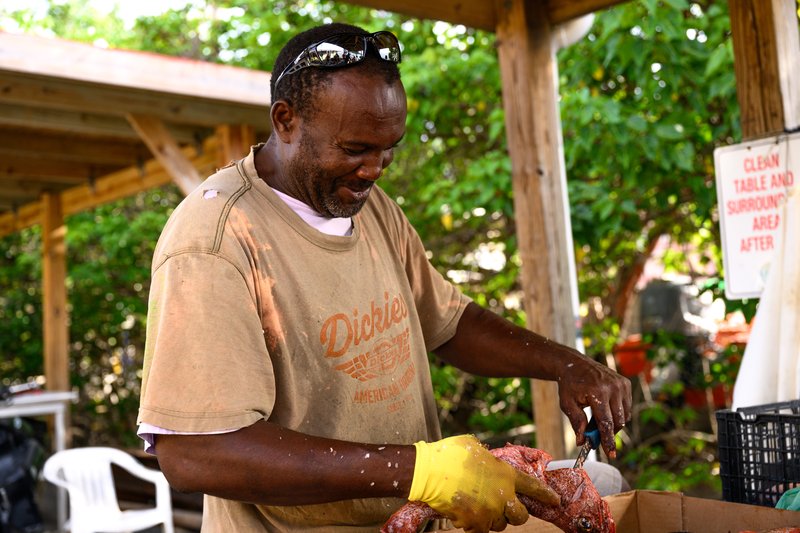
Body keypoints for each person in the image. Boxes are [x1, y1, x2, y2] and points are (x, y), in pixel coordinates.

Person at [137, 22, 631, 533]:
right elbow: (196, 451)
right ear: (285, 120)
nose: (375, 169)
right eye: (354, 149)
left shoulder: (365, 206)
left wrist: (565, 364)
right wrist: (419, 470)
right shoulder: (215, 240)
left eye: (388, 148)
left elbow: (449, 322)